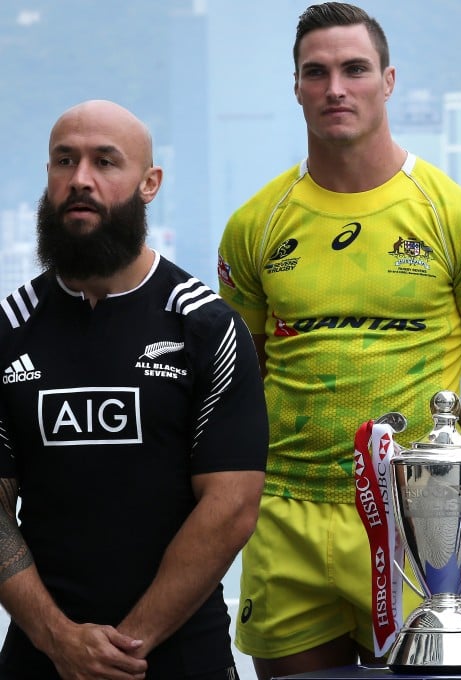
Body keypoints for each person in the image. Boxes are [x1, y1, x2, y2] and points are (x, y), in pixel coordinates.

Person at [216, 3, 461, 677]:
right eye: (317, 72)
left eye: (354, 69)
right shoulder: (254, 225)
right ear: (297, 85)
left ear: (387, 80)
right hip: (286, 518)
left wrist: (444, 485)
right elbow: (241, 383)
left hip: (409, 526)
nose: (336, 87)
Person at [0, 99, 268, 679]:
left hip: (177, 656)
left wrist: (120, 649)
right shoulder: (8, 330)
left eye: (105, 162)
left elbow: (232, 506)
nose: (81, 180)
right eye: (64, 161)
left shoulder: (207, 327)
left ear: (150, 183)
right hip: (40, 657)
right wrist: (60, 641)